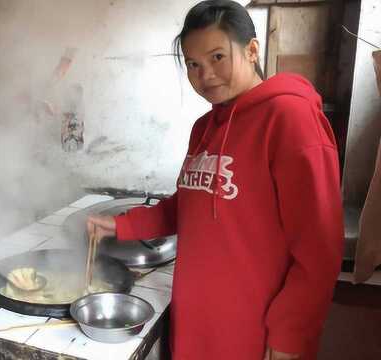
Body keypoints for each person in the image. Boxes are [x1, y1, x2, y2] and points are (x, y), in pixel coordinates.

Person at [87, 1, 343, 359]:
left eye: (217, 57)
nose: (204, 74)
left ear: (252, 50)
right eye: (193, 64)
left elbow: (320, 247)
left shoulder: (290, 117)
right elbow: (185, 207)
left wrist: (290, 334)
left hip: (255, 330)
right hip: (197, 323)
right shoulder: (205, 128)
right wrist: (118, 225)